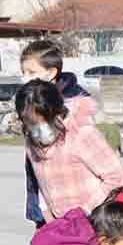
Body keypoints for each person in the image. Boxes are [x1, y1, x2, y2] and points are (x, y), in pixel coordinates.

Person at [17, 80, 123, 222]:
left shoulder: (81, 134)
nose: (36, 128)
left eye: (41, 121)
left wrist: (85, 210)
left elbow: (117, 177)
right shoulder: (31, 140)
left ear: (56, 113)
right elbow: (41, 182)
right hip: (58, 222)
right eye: (29, 122)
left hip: (92, 221)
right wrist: (47, 213)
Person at [19, 40, 97, 229]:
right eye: (23, 72)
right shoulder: (31, 101)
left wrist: (87, 208)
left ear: (51, 72)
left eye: (31, 72)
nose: (25, 78)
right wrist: (42, 209)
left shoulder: (75, 107)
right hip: (45, 202)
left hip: (78, 207)